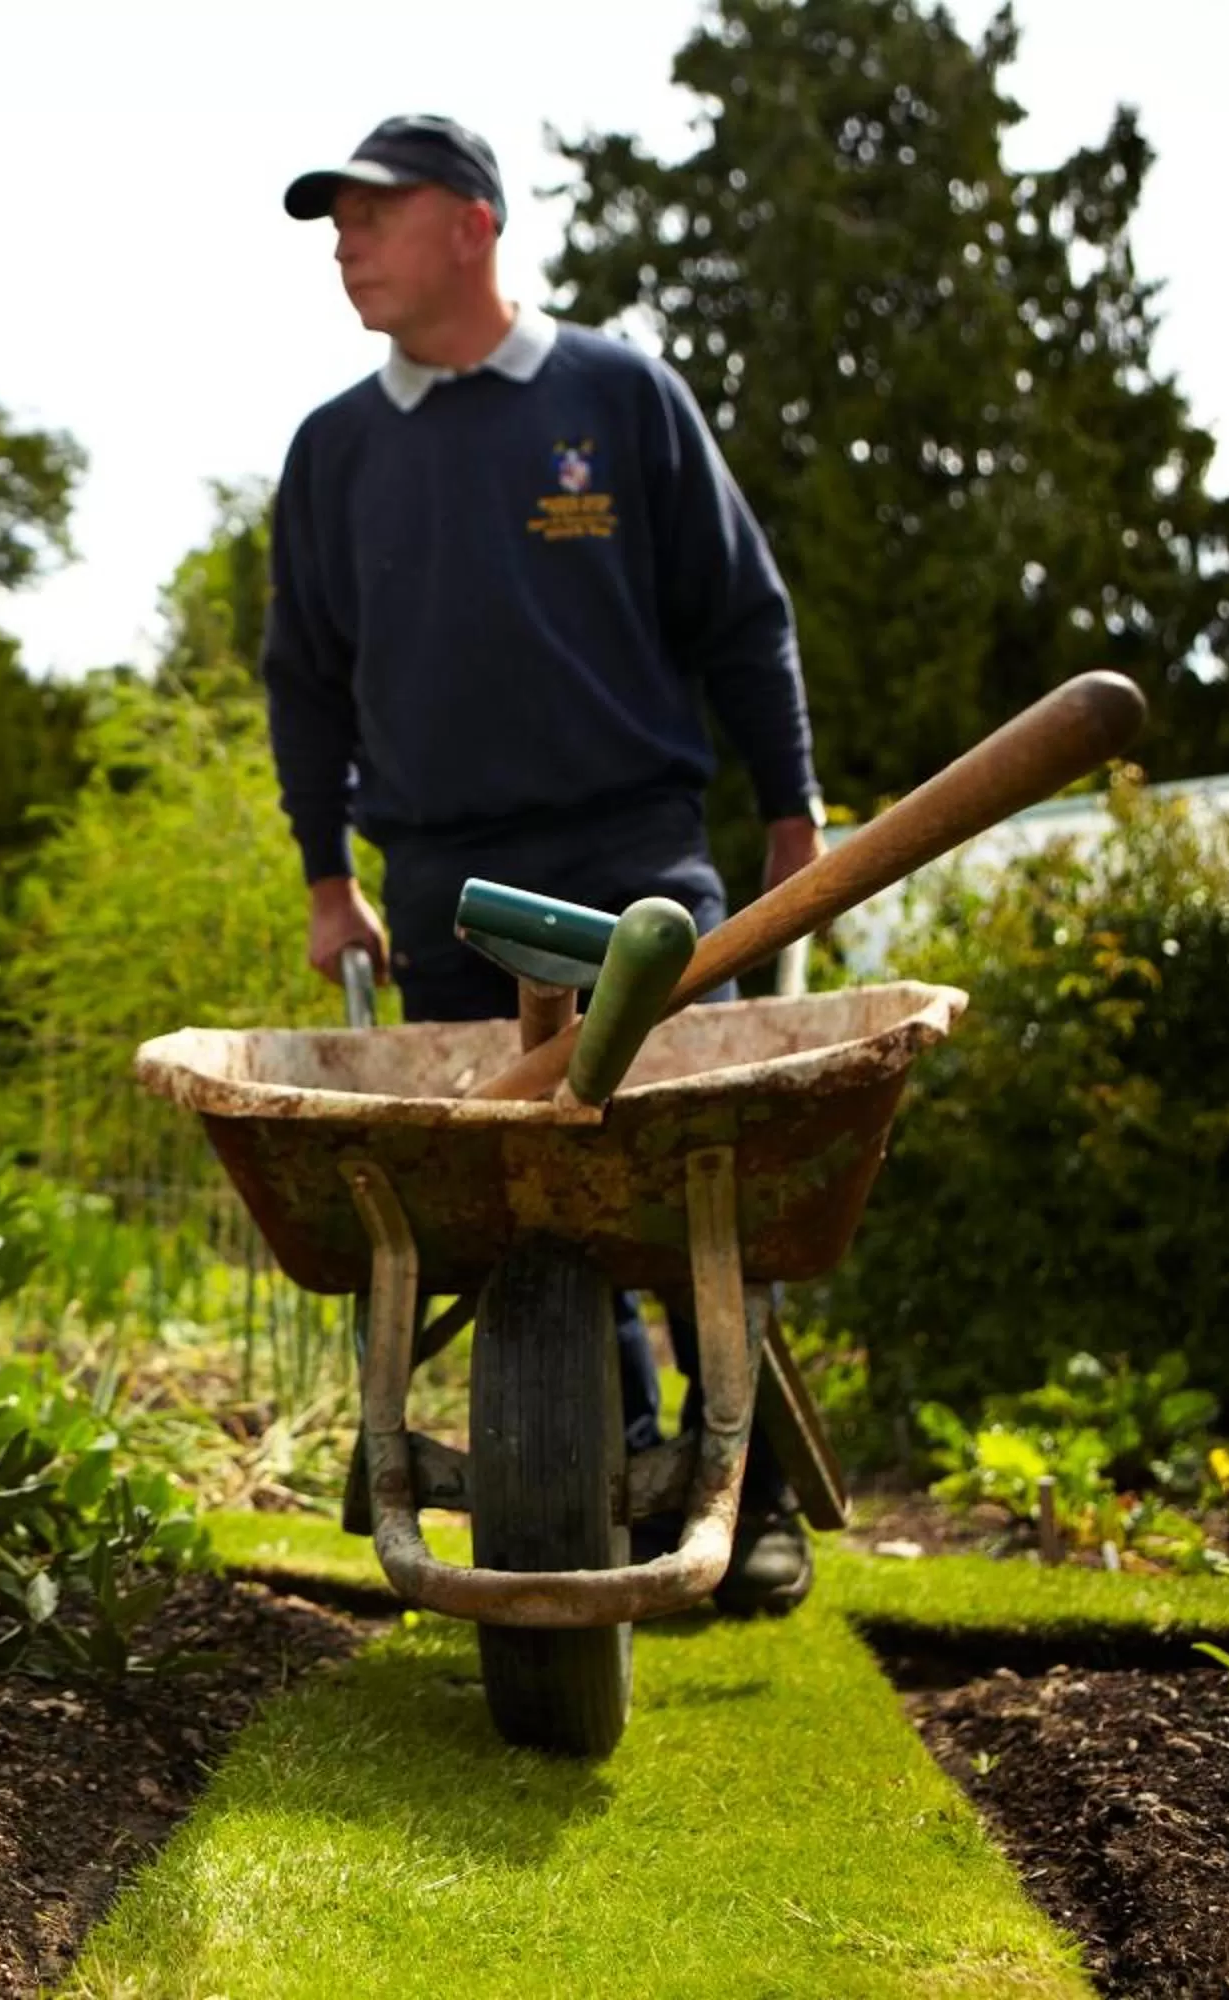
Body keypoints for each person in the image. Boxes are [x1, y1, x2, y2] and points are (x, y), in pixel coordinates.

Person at [260, 113, 823, 1613]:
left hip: (634, 864)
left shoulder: (615, 395)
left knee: (686, 1173)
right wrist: (330, 879)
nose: (343, 242)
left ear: (471, 224)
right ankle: (595, 1469)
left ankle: (750, 1494)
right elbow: (303, 681)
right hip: (444, 885)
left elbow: (738, 616)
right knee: (514, 1209)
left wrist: (793, 812)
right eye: (334, 222)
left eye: (370, 214)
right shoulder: (336, 451)